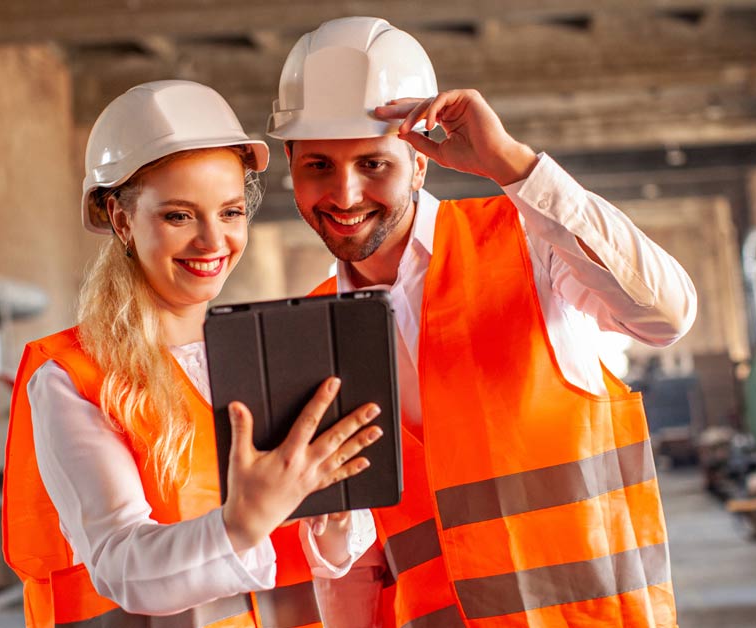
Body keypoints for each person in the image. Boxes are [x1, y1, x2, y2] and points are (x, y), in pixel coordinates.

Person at [268, 18, 697, 627]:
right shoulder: (309, 331)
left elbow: (666, 315)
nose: (344, 193)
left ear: (419, 162)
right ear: (290, 164)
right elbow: (358, 563)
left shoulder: (528, 243)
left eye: (373, 163)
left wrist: (516, 167)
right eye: (317, 166)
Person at [2, 80, 384, 627]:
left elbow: (312, 556)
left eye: (230, 212)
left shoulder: (262, 352)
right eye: (179, 216)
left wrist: (335, 513)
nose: (212, 241)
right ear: (121, 219)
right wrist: (241, 524)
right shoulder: (73, 376)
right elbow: (118, 565)